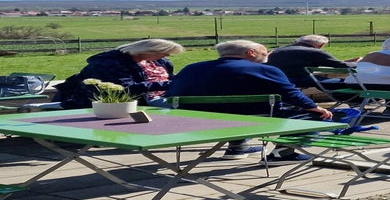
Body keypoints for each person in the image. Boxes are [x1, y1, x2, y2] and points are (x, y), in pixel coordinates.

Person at [165, 40, 333, 161]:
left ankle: (237, 147)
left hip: (198, 122)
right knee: (315, 116)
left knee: (234, 111)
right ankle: (283, 153)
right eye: (265, 53)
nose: (267, 57)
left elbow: (172, 93)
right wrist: (315, 107)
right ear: (251, 53)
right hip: (254, 120)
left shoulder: (190, 69)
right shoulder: (265, 69)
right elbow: (291, 94)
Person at [54, 39, 185, 109]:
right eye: (165, 52)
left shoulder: (161, 62)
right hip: (133, 102)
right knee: (186, 106)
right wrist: (167, 85)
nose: (168, 55)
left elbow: (171, 78)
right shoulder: (111, 63)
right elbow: (125, 88)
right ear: (148, 51)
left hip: (166, 96)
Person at [266, 35, 358, 88]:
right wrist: (360, 63)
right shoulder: (316, 52)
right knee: (346, 82)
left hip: (274, 80)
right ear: (321, 45)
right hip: (299, 79)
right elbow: (341, 66)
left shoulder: (276, 50)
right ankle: (355, 103)